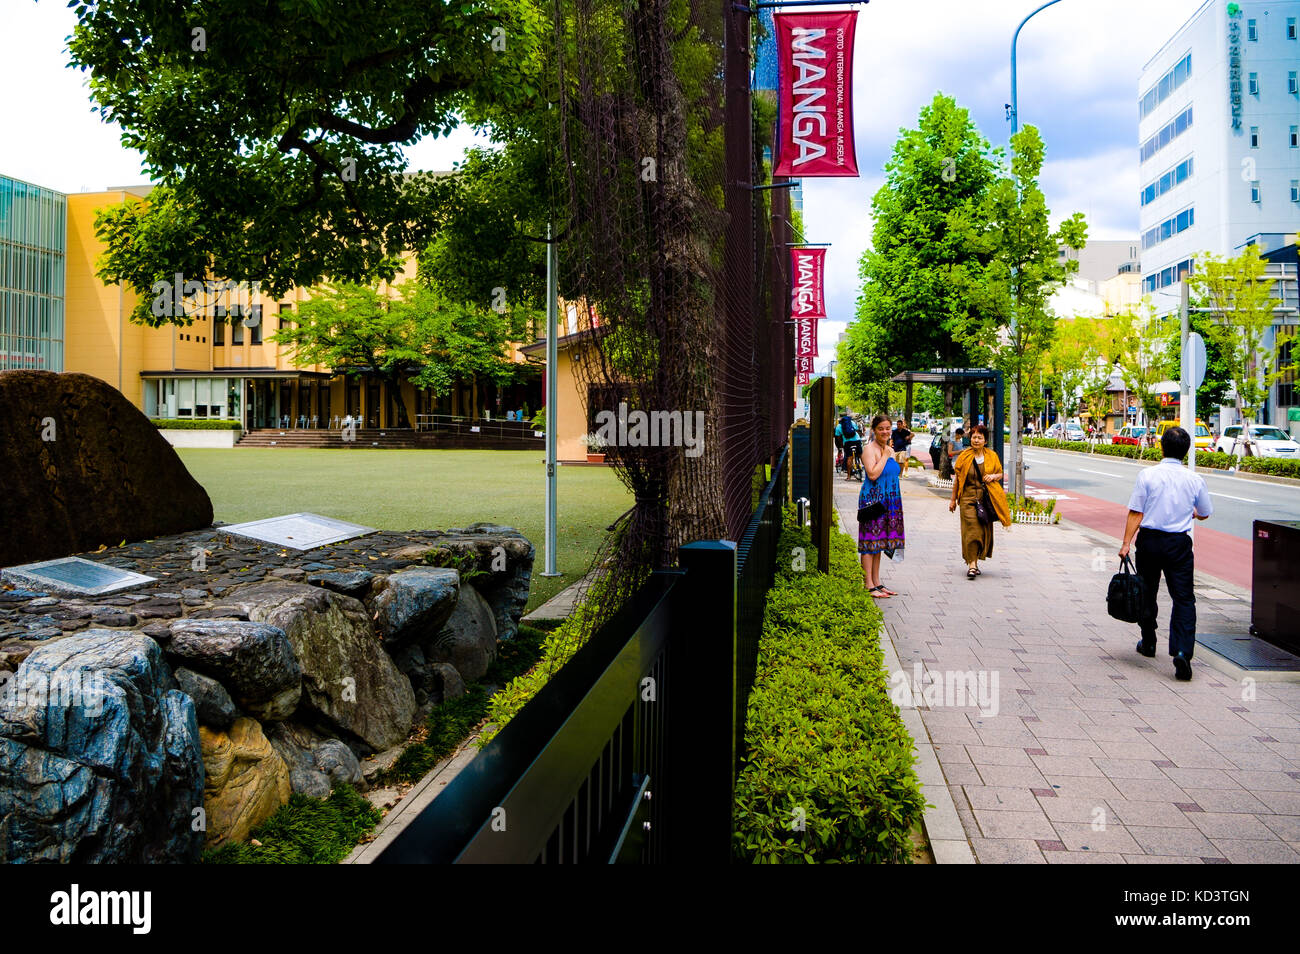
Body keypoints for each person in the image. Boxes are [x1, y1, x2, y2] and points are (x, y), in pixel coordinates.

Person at [1118, 426, 1212, 681]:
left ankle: (1148, 641)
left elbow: (1136, 512)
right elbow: (1204, 511)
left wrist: (1126, 543)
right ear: (1186, 450)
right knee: (1183, 598)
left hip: (1149, 541)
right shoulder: (1194, 479)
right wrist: (1191, 512)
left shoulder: (1147, 475)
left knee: (1146, 591)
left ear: (1162, 447)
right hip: (1178, 544)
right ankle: (1182, 651)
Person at [948, 424, 1011, 579]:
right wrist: (952, 499)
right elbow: (958, 480)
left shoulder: (991, 456)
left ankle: (975, 559)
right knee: (971, 530)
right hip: (967, 498)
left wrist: (993, 477)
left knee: (983, 531)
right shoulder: (964, 456)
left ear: (985, 440)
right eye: (974, 437)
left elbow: (1000, 473)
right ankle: (972, 565)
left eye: (979, 438)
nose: (976, 440)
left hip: (985, 499)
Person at [859, 414, 906, 598]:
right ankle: (868, 584)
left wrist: (890, 455)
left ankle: (877, 582)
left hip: (890, 501)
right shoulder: (869, 449)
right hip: (873, 501)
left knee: (880, 543)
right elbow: (872, 474)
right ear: (874, 430)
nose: (885, 432)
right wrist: (886, 456)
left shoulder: (889, 449)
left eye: (888, 428)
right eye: (881, 429)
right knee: (869, 542)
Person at [839, 411, 863, 480]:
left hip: (848, 442)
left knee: (849, 458)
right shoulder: (852, 422)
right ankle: (867, 472)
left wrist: (841, 445)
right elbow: (856, 430)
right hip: (857, 440)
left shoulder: (839, 426)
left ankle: (849, 476)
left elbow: (838, 437)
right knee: (861, 455)